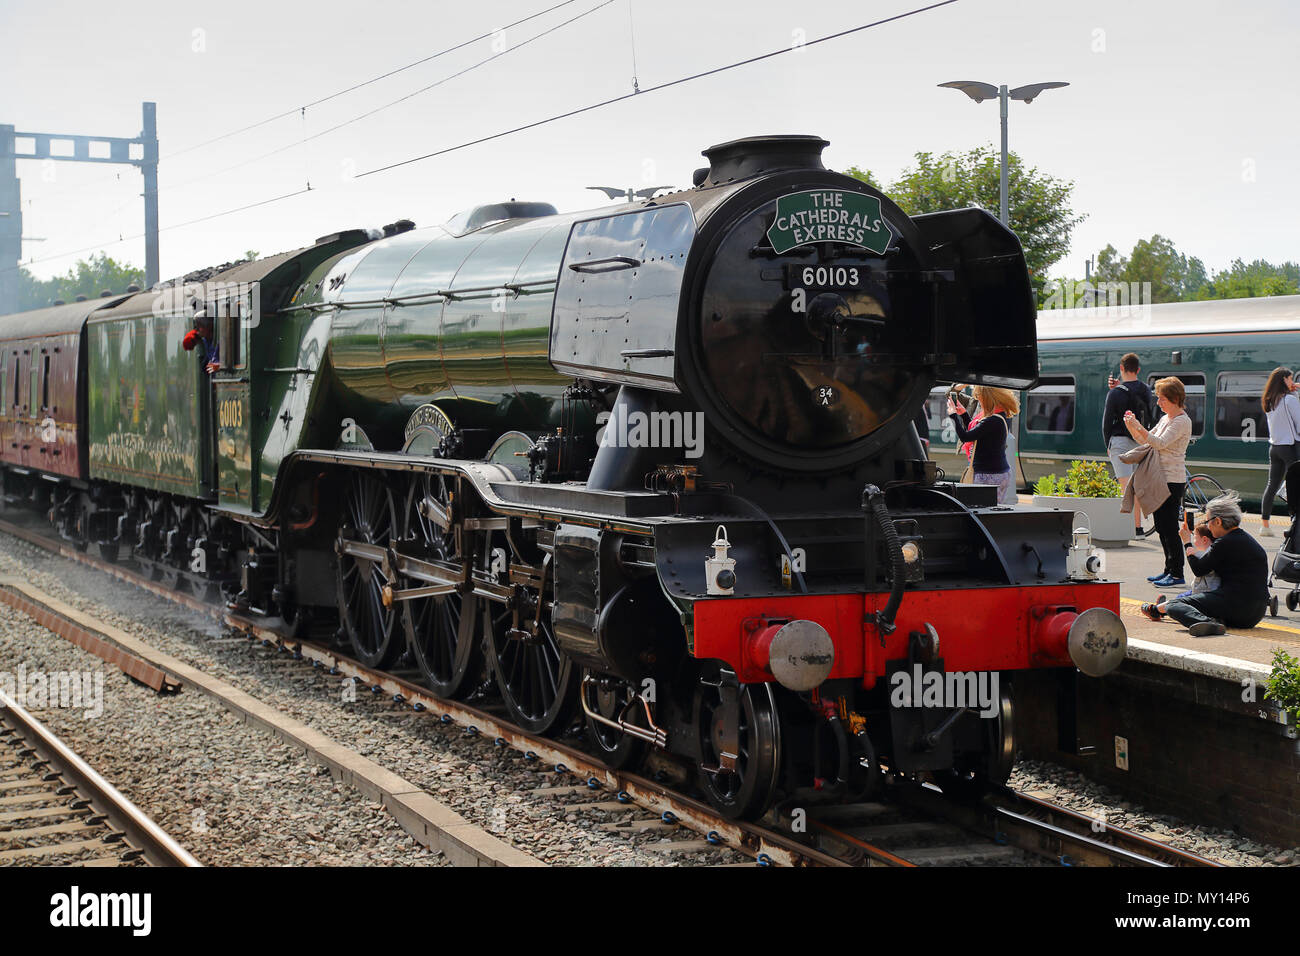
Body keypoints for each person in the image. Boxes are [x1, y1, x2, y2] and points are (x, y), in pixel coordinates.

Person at [1162, 493, 1269, 636]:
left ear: (1218, 521)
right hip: (1255, 614)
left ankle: (1208, 623)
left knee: (1174, 605)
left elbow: (1199, 570)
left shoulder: (1224, 542)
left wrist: (1187, 542)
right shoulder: (1248, 540)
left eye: (1207, 522)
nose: (1207, 526)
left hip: (1235, 605)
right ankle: (1211, 622)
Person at [1124, 376, 1193, 587]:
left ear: (1174, 398)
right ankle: (1168, 569)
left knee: (1169, 526)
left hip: (1172, 480)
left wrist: (1138, 426)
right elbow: (1146, 441)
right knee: (1161, 526)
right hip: (1158, 477)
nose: (1158, 402)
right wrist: (1131, 426)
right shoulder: (1165, 419)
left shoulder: (1182, 421)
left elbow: (1160, 443)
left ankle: (1177, 573)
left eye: (1162, 398)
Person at [1103, 353, 1155, 536]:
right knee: (1136, 486)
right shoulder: (1147, 390)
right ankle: (1137, 528)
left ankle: (1126, 529)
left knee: (1125, 487)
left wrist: (1107, 445)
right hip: (1140, 441)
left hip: (1121, 443)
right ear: (1139, 370)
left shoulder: (1115, 393)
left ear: (1121, 369)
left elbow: (1107, 422)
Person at [947, 385, 1020, 503]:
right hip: (999, 473)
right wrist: (964, 414)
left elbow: (966, 437)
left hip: (988, 475)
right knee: (991, 510)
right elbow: (978, 432)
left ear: (988, 399)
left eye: (979, 397)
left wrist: (953, 416)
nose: (979, 402)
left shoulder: (992, 421)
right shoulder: (1001, 415)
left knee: (981, 511)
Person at [1140, 521, 1221, 621]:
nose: (1194, 541)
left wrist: (1187, 544)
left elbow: (1198, 569)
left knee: (1178, 603)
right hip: (1202, 591)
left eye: (1195, 537)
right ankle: (1162, 610)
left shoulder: (1205, 554)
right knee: (1179, 598)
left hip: (1203, 594)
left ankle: (1154, 610)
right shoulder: (1214, 550)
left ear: (1204, 540)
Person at [1259, 366, 1300, 536]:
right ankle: (1294, 522)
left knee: (1272, 485)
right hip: (1290, 446)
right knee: (1295, 485)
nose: (1292, 382)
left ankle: (1265, 526)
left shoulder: (1269, 400)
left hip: (1274, 447)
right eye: (1290, 379)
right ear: (1284, 380)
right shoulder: (1289, 400)